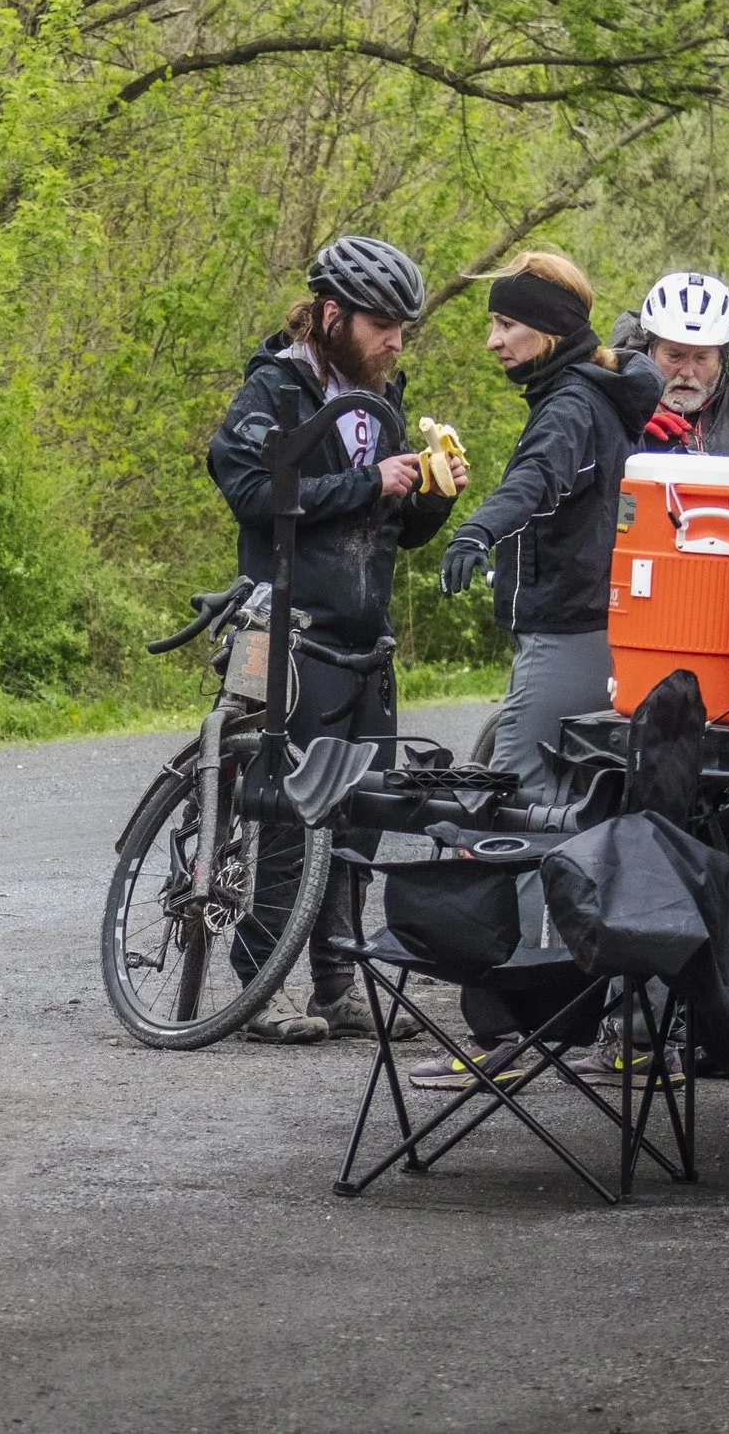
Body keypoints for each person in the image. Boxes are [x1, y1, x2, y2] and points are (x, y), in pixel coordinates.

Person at [207, 236, 458, 1042]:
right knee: (284, 819)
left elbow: (394, 530)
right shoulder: (275, 387)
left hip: (365, 642)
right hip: (293, 634)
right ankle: (263, 987)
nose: (395, 340)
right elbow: (248, 486)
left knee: (361, 820)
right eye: (383, 324)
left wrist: (430, 493)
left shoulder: (384, 394)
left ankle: (335, 982)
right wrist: (365, 480)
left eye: (404, 328)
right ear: (330, 314)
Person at [439, 252, 661, 796]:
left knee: (513, 800)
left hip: (564, 631)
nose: (493, 341)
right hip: (594, 625)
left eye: (506, 325)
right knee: (568, 802)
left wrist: (477, 530)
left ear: (550, 331)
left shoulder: (570, 406)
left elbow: (538, 478)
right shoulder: (592, 397)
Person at [609, 271, 729, 455]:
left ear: (723, 357)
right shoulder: (611, 404)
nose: (687, 372)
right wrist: (627, 440)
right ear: (649, 351)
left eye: (702, 358)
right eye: (674, 356)